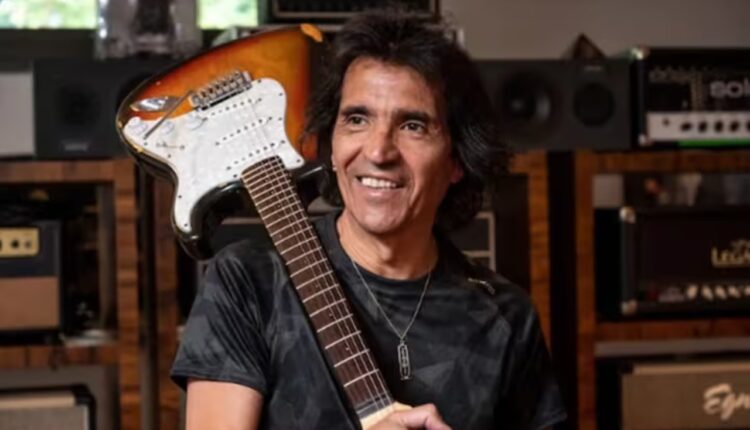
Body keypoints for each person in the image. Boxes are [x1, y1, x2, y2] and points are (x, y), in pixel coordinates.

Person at [171, 8, 566, 430]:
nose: (378, 152)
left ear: (456, 160)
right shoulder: (249, 283)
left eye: (412, 126)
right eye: (356, 119)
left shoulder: (505, 316)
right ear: (331, 144)